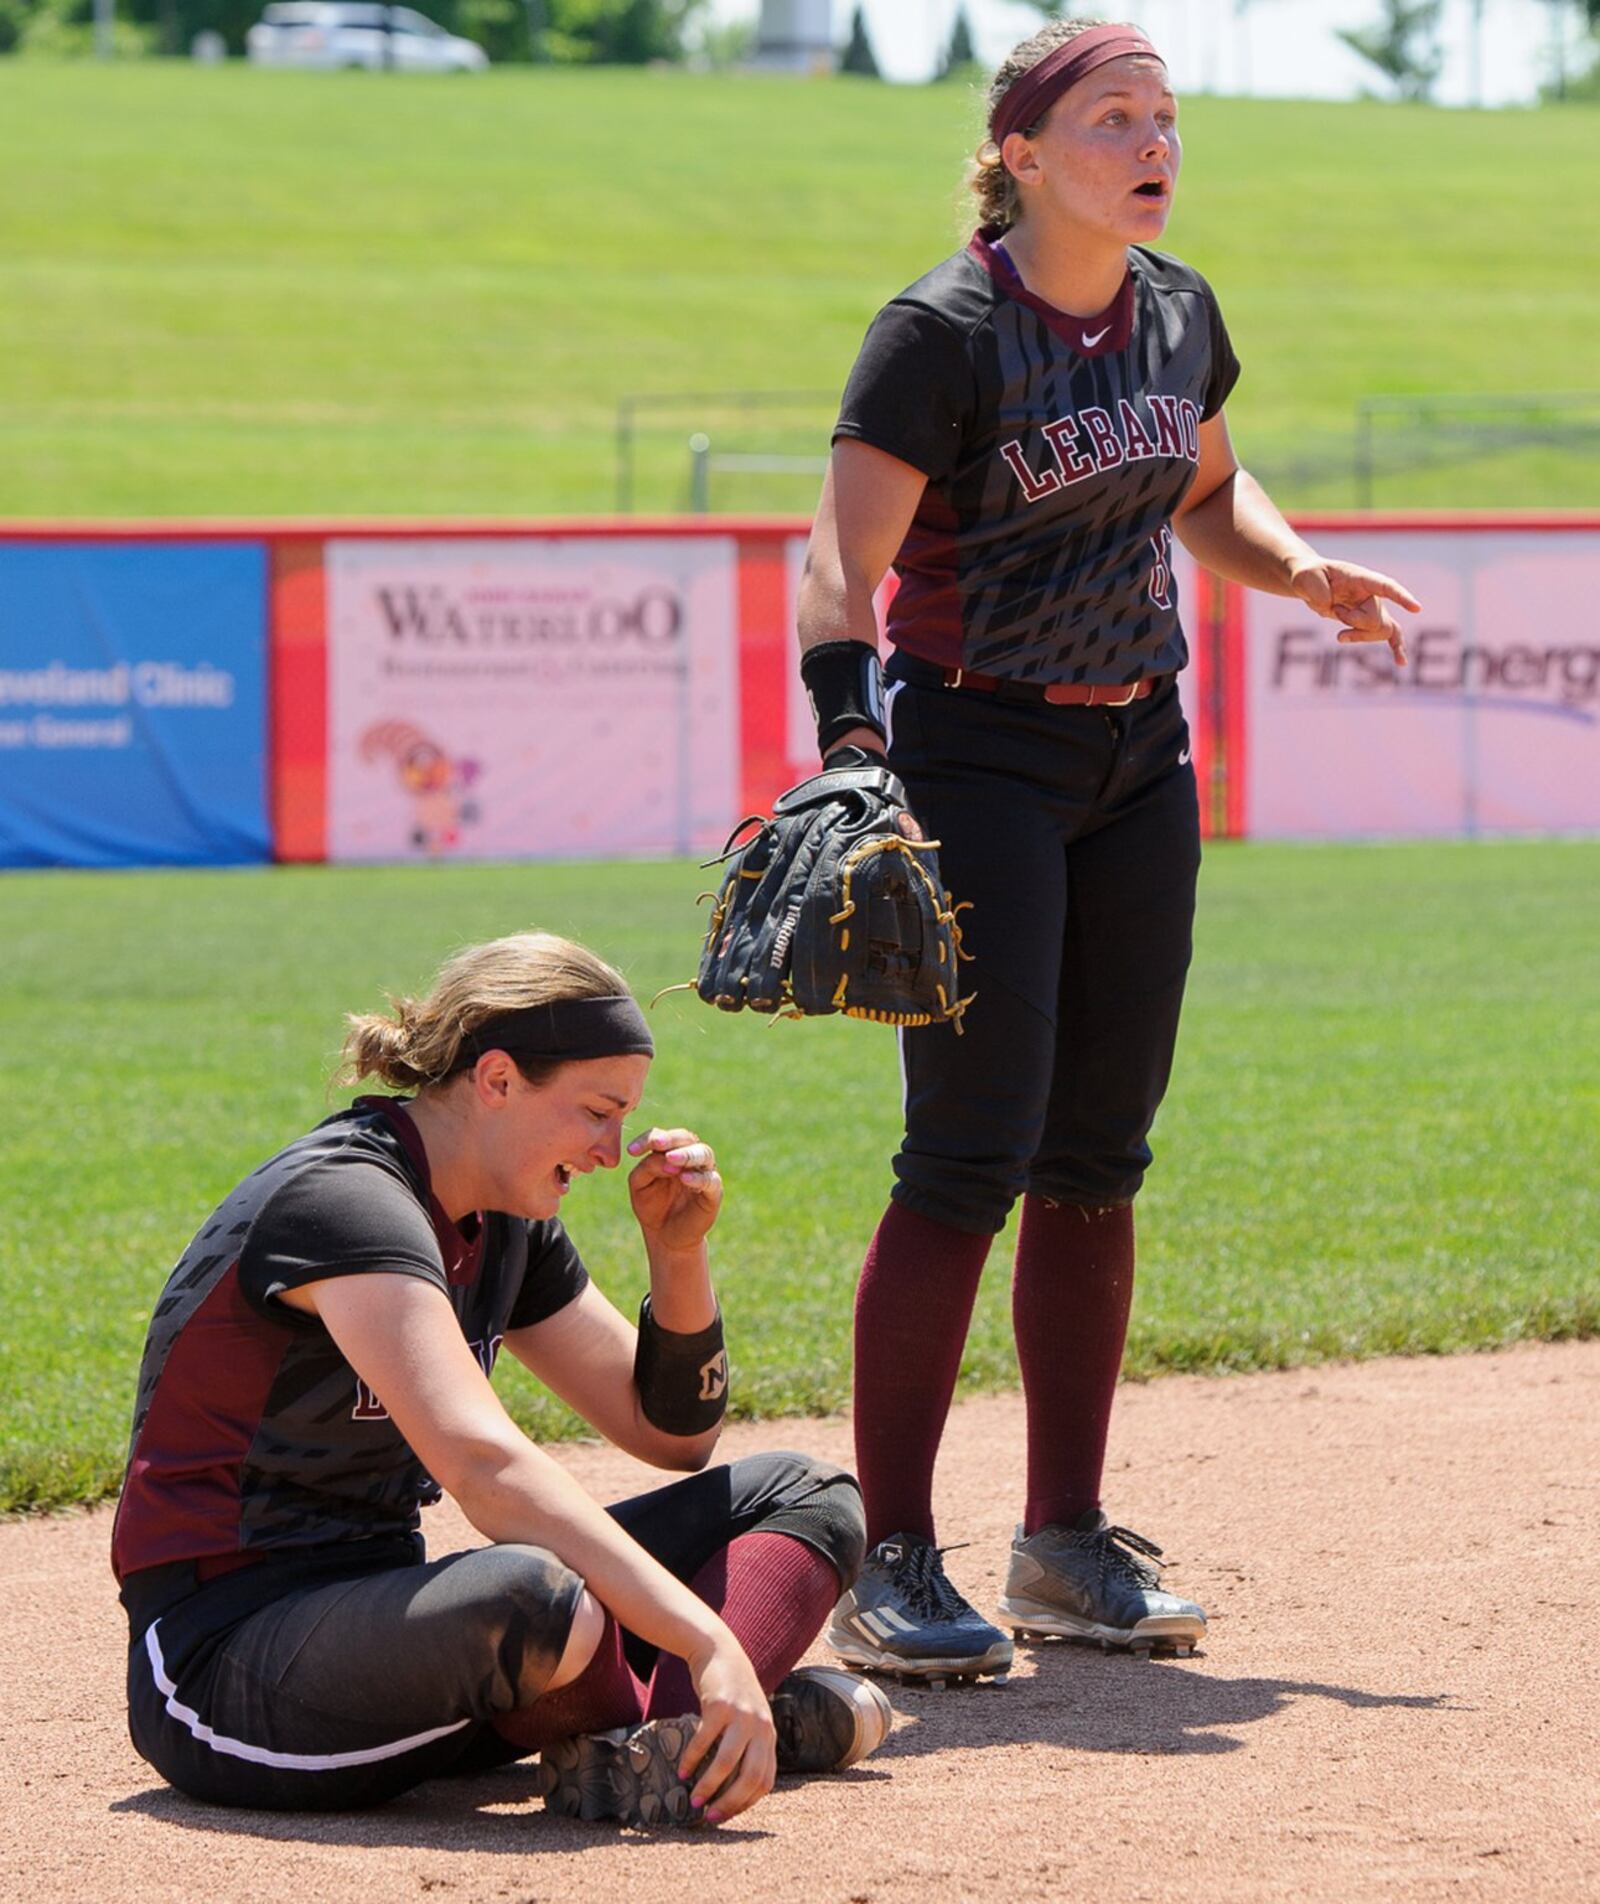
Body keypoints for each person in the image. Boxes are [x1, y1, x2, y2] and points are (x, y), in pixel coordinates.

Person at [795, 17, 1420, 1683]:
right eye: (1114, 117)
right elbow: (836, 561)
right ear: (1019, 150)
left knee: (1098, 1150)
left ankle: (1063, 1537)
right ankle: (898, 1552)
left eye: (1166, 116)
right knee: (970, 1149)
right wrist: (850, 741)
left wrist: (1299, 570)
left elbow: (1208, 492)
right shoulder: (942, 329)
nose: (1154, 142)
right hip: (976, 742)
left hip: (1141, 749)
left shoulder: (1175, 308)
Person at [112, 931, 888, 1822]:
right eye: (599, 1110)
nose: (613, 1147)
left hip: (398, 1628)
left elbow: (670, 1435)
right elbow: (486, 1470)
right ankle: (708, 1728)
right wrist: (709, 1640)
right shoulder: (345, 1201)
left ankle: (666, 1743)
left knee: (808, 1491)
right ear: (497, 1081)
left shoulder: (502, 1219)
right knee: (535, 1595)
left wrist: (678, 1256)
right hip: (225, 1666)